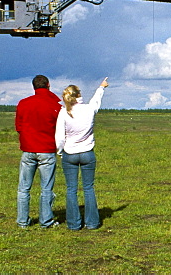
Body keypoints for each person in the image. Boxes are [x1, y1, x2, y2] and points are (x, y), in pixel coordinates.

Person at [56, 77, 108, 231]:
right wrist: (101, 87)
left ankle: (73, 224)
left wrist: (60, 152)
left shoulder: (64, 112)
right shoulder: (88, 109)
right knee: (88, 188)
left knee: (71, 189)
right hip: (87, 153)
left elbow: (59, 137)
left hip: (69, 154)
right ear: (79, 95)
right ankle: (92, 223)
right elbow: (96, 101)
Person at [15, 74, 62, 228]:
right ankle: (46, 221)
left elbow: (19, 127)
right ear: (48, 85)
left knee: (24, 188)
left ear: (34, 86)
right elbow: (59, 129)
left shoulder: (23, 103)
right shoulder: (54, 105)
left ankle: (22, 221)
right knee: (46, 188)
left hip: (28, 149)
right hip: (47, 150)